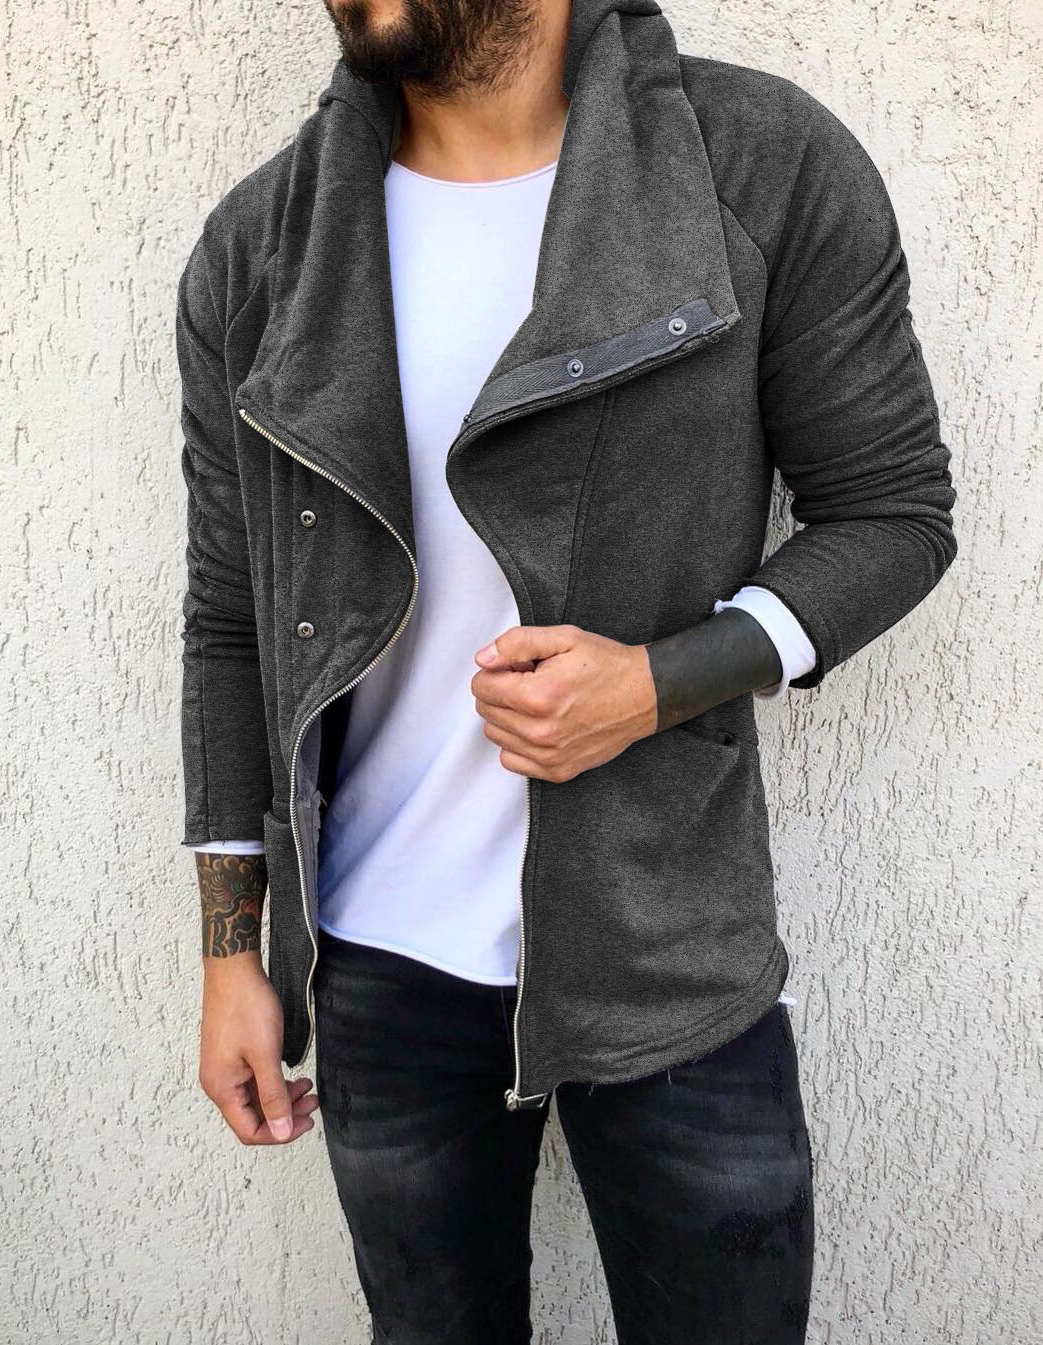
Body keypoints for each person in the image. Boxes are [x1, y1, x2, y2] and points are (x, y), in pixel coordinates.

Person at [176, 0, 957, 1337]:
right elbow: (230, 616)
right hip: (378, 964)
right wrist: (230, 953)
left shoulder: (756, 166)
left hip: (670, 945)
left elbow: (893, 514)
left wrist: (665, 680)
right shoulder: (263, 250)